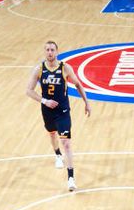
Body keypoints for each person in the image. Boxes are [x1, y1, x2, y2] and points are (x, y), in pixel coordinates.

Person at [25, 41, 91, 192]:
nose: (50, 52)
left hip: (63, 111)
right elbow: (29, 90)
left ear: (57, 52)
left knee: (66, 142)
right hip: (47, 110)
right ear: (44, 52)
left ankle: (71, 178)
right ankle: (57, 155)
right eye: (47, 50)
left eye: (52, 50)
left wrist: (86, 102)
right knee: (52, 133)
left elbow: (78, 84)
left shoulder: (65, 68)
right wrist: (44, 101)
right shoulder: (39, 69)